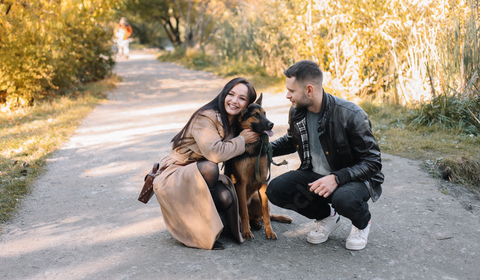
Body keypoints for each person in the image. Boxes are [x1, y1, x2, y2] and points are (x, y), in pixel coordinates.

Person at [265, 60, 384, 250]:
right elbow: (291, 140)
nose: (287, 95)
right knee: (276, 190)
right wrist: (262, 149)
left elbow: (373, 161)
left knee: (344, 199)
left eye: (292, 91)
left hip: (353, 178)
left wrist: (337, 178)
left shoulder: (351, 114)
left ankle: (362, 223)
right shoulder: (297, 111)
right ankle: (327, 217)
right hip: (315, 176)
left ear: (309, 90)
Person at [153, 77, 260, 250]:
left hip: (198, 173)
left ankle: (210, 224)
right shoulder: (206, 117)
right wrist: (241, 140)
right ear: (224, 94)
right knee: (211, 167)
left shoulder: (233, 121)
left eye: (242, 98)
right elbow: (215, 153)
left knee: (226, 198)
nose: (234, 101)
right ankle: (198, 231)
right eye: (231, 94)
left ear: (247, 104)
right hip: (176, 173)